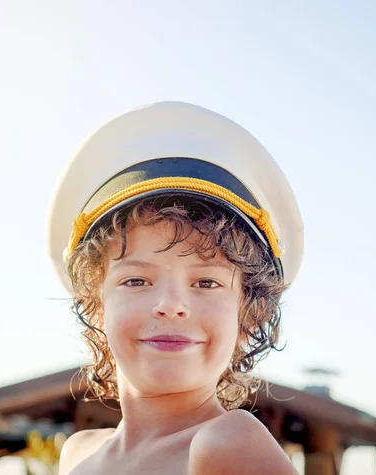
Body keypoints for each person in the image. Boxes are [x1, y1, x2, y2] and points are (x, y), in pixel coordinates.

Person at [47, 101, 304, 474]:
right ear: (94, 308)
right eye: (136, 280)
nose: (171, 304)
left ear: (250, 315)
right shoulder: (77, 454)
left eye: (206, 281)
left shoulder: (227, 445)